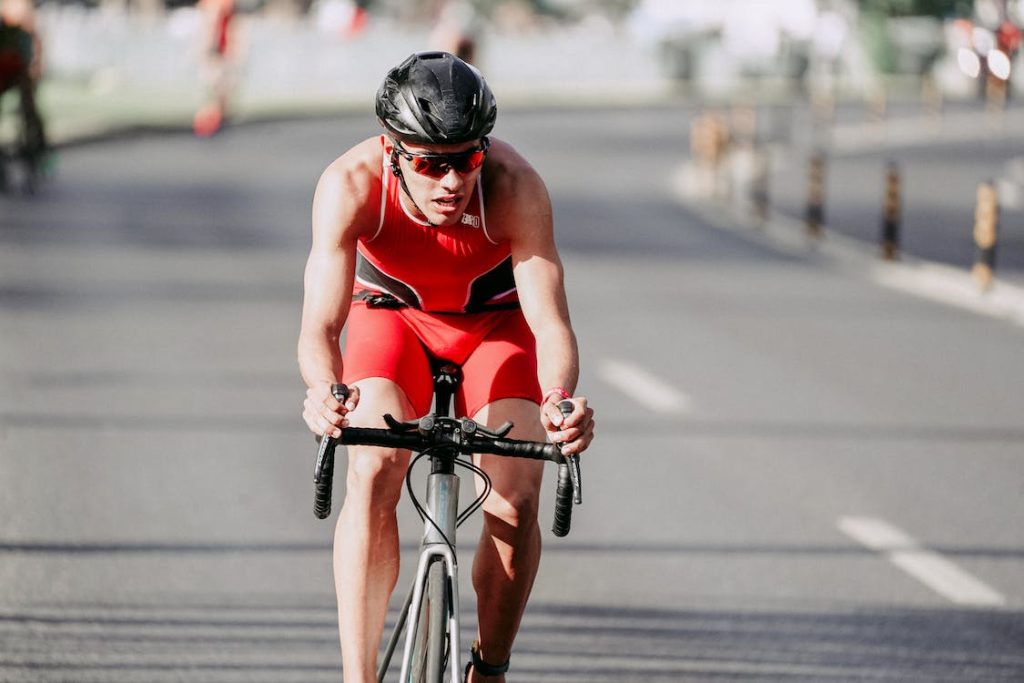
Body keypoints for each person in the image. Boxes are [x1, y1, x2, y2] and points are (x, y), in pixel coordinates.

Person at [298, 51, 595, 682]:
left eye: (467, 159)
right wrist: (324, 391)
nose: (451, 181)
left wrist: (560, 398)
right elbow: (321, 327)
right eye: (431, 163)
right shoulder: (350, 185)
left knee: (516, 497)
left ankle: (489, 667)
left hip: (494, 327)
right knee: (374, 465)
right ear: (393, 151)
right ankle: (360, 674)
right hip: (392, 321)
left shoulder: (516, 188)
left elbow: (549, 323)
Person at [0, 0, 48, 163]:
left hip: (20, 72)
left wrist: (36, 67)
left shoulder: (23, 28)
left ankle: (39, 146)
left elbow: (35, 46)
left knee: (29, 106)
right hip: (5, 74)